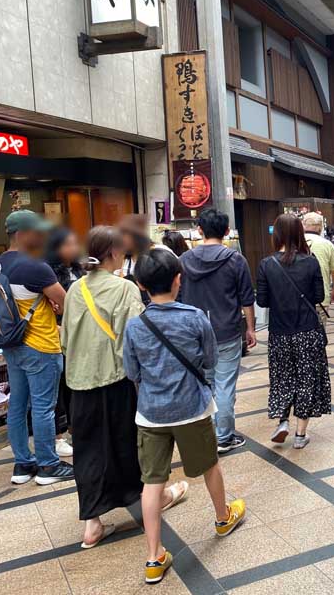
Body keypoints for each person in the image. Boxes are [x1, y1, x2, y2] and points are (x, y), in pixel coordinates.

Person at [123, 249, 246, 585]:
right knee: (209, 465)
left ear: (141, 285)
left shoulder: (135, 325)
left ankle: (153, 557)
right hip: (192, 407)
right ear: (179, 280)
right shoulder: (194, 317)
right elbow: (209, 360)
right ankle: (222, 518)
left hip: (151, 413)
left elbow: (131, 370)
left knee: (152, 481)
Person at [62, 227, 188, 548]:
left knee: (89, 450)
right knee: (130, 444)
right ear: (116, 253)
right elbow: (137, 338)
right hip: (118, 380)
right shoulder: (125, 289)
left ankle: (92, 523)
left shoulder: (75, 289)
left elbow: (65, 339)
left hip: (78, 382)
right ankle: (151, 498)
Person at [0, 210, 75, 486]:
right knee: (44, 407)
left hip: (13, 345)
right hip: (41, 344)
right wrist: (54, 306)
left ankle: (22, 464)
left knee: (17, 405)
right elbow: (67, 303)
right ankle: (48, 465)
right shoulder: (35, 266)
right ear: (22, 234)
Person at [179, 209, 257, 453]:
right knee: (224, 384)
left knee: (204, 384)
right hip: (227, 330)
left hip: (193, 333)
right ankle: (224, 437)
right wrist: (251, 328)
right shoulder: (235, 260)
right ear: (226, 231)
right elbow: (246, 299)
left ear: (199, 230)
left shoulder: (184, 260)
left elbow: (178, 297)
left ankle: (206, 435)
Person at [257, 214, 332, 448]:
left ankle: (282, 422)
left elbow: (262, 301)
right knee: (306, 379)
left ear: (276, 234)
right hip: (307, 330)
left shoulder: (266, 264)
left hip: (280, 333)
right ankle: (300, 435)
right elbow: (319, 296)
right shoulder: (310, 262)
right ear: (299, 233)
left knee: (282, 378)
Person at [45, 226, 84, 458]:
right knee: (59, 386)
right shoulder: (49, 273)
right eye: (68, 244)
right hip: (57, 336)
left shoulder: (80, 271)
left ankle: (74, 428)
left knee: (74, 384)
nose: (74, 248)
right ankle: (58, 435)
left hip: (78, 335)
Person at [302, 212, 334, 322]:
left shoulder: (295, 242)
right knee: (319, 331)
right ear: (320, 227)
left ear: (304, 225)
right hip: (321, 296)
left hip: (298, 297)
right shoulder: (327, 244)